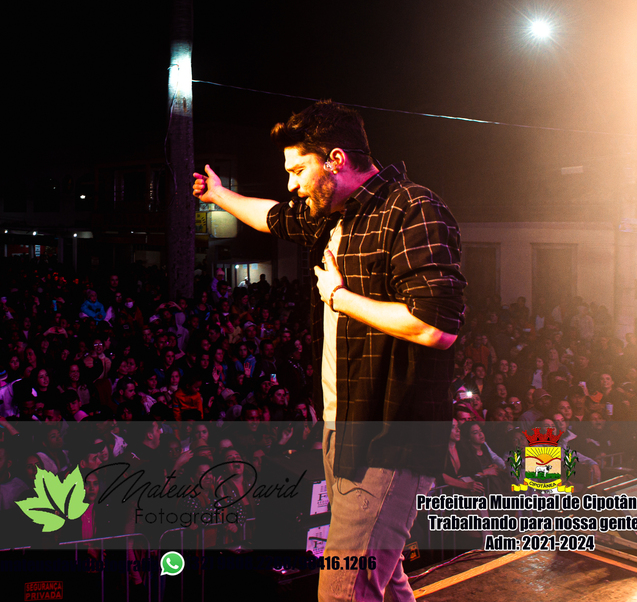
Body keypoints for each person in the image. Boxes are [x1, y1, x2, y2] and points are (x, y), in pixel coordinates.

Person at [193, 100, 466, 602]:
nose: (292, 184)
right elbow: (272, 218)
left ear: (336, 160)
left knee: (343, 591)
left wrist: (340, 298)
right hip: (343, 430)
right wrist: (219, 194)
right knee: (383, 581)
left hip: (391, 434)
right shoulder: (334, 216)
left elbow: (436, 326)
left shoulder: (413, 209)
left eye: (299, 170)